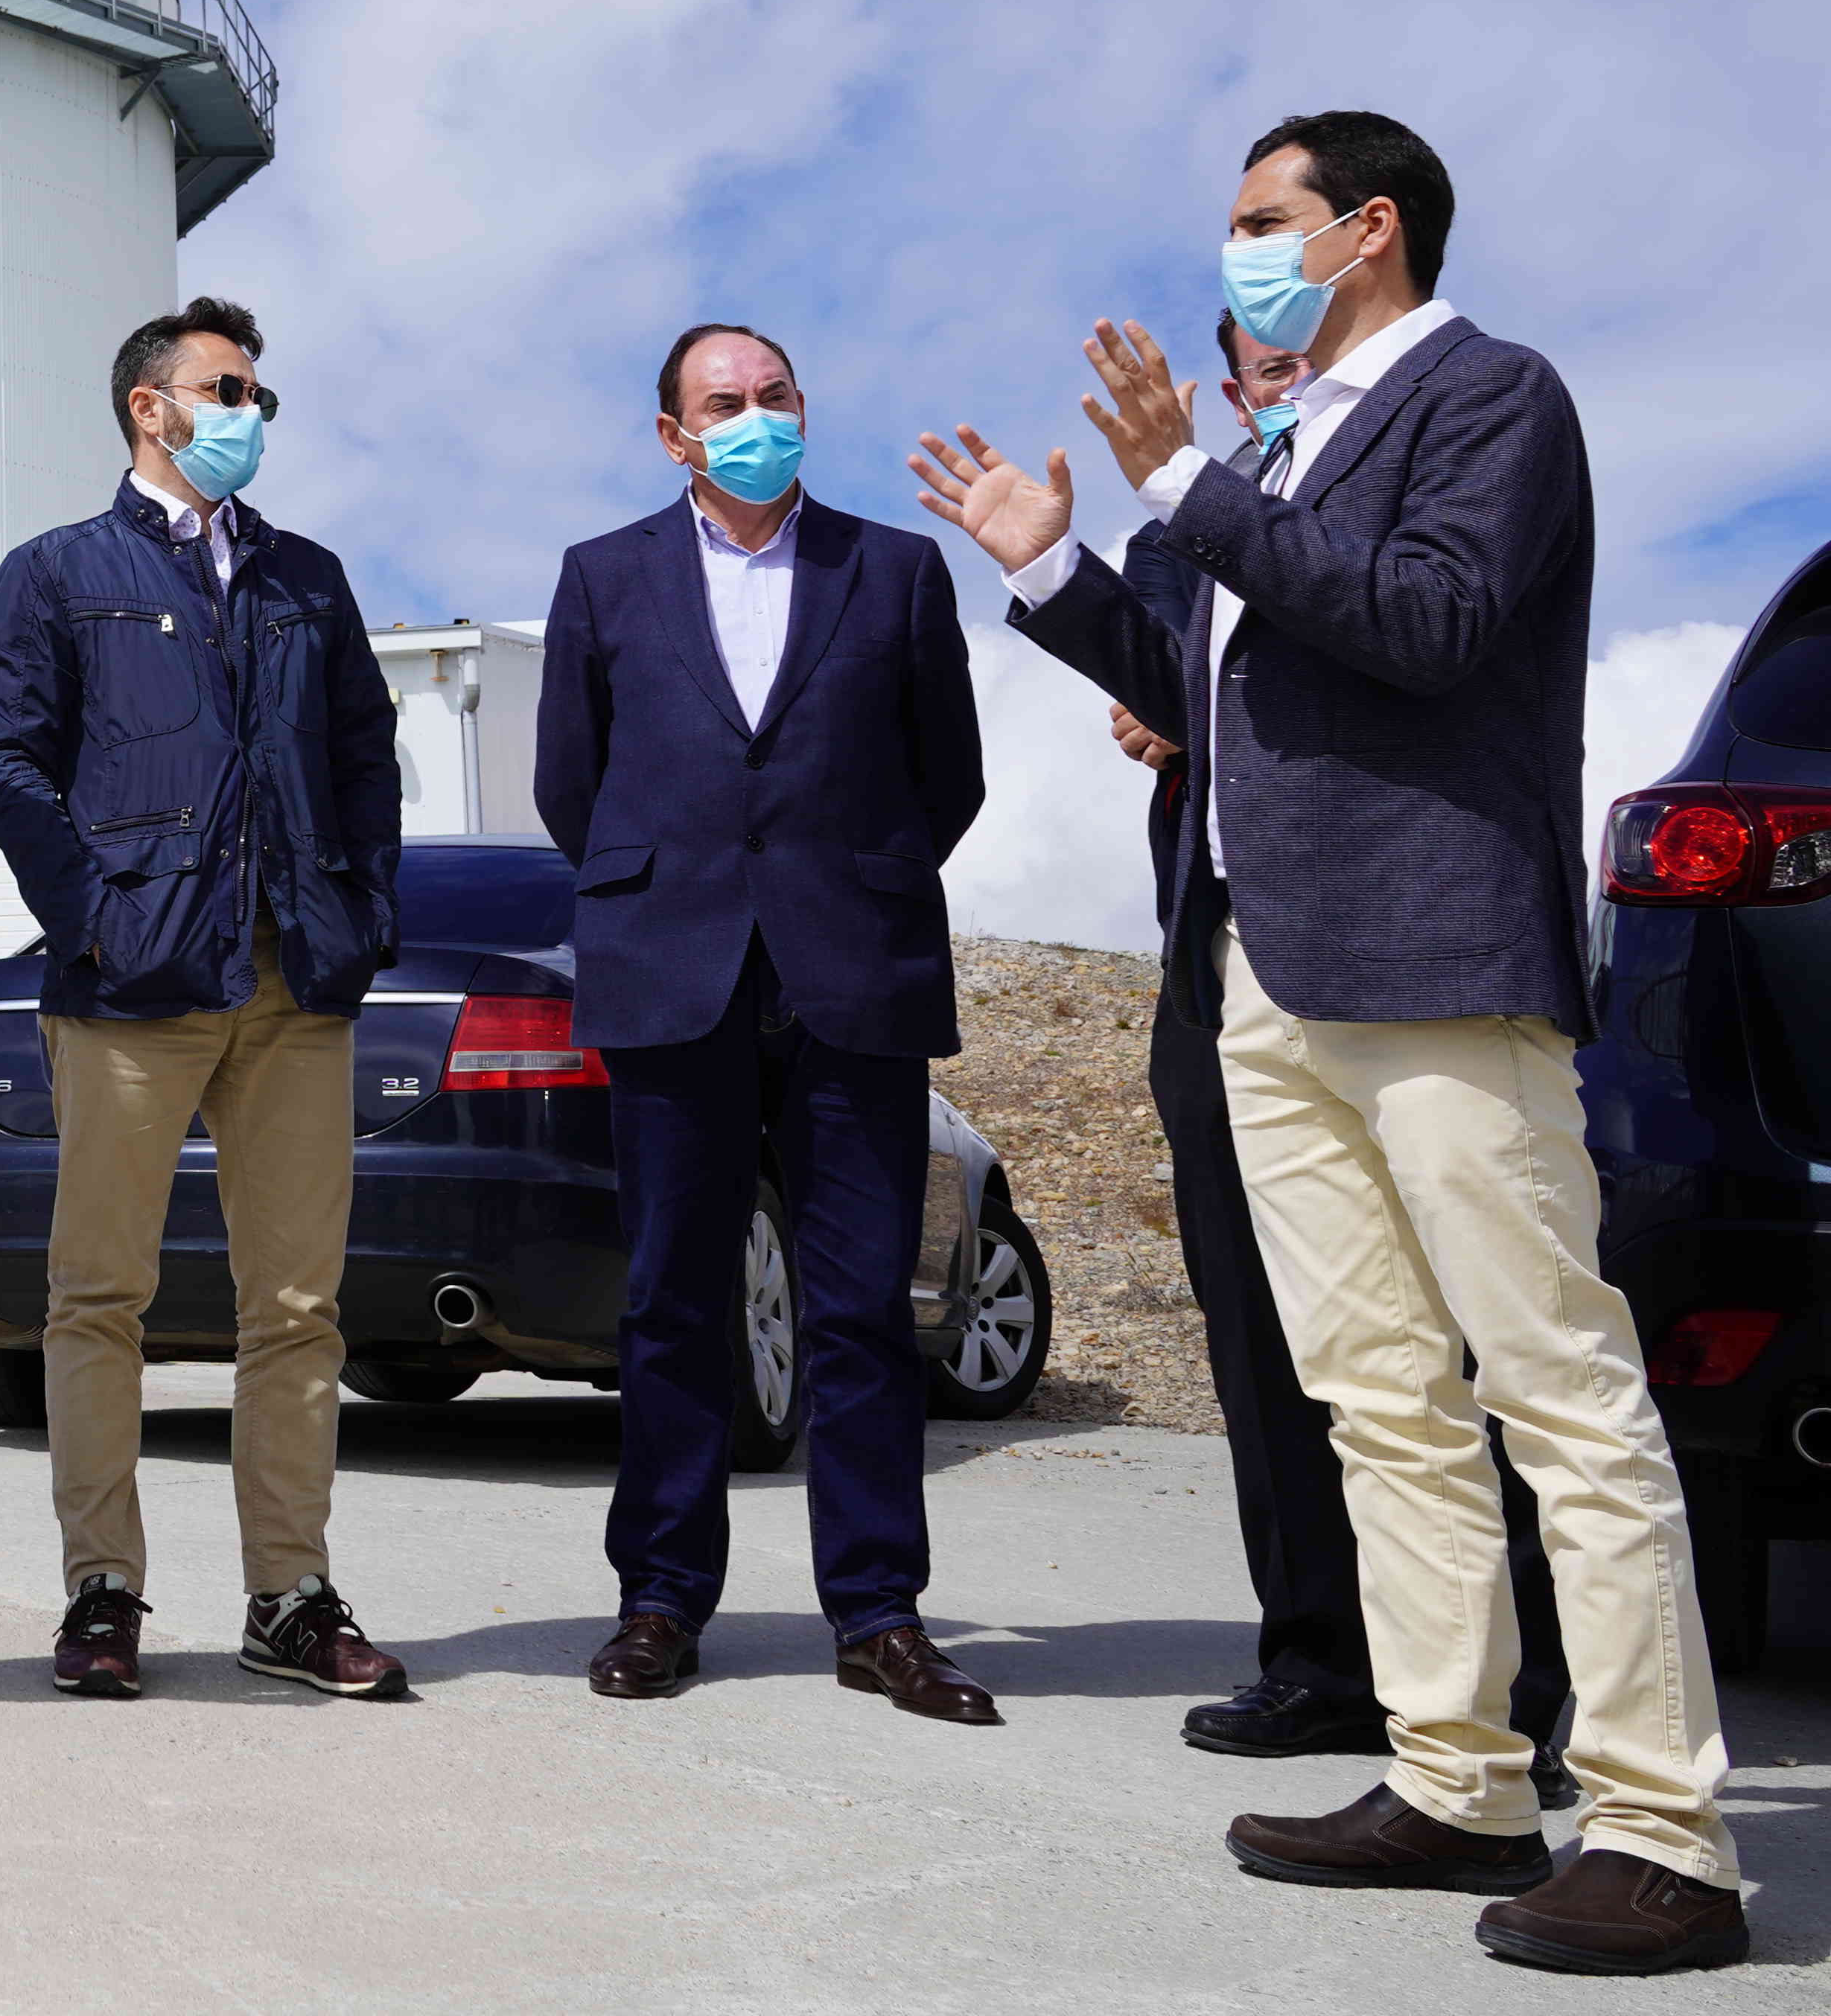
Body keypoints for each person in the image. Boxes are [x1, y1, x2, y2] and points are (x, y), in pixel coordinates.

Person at [914, 112, 1745, 1977]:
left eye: (1260, 218)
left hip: (1433, 953)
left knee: (1557, 1386)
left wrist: (1184, 480)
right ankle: (1457, 1778)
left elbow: (1431, 622)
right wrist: (1057, 572)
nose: (1235, 250)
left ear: (1368, 229)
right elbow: (1215, 695)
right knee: (1378, 1395)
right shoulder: (1280, 454)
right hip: (1266, 978)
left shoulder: (1487, 396)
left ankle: (1663, 1833)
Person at [1097, 327, 1575, 1781]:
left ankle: (1519, 1687)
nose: (1283, 382)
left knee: (1474, 1330)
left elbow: (1419, 636)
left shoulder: (1439, 457)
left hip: (1402, 939)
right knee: (1276, 1329)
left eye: (1306, 355)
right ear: (1233, 390)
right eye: (1259, 368)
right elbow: (1157, 689)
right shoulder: (1180, 523)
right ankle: (1323, 1657)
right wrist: (1072, 587)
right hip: (1224, 956)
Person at [531, 325, 996, 1723]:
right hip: (674, 972)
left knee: (862, 1307)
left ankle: (878, 1613)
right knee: (674, 1299)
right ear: (673, 434)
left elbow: (949, 776)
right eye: (724, 402)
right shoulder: (604, 576)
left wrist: (843, 883)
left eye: (776, 395)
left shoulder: (893, 568)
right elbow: (573, 786)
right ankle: (661, 1599)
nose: (754, 417)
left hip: (853, 969)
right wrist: (682, 892)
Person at [0, 295, 407, 1703]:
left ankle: (291, 1596)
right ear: (149, 408)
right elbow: (6, 768)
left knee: (298, 1305)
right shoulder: (56, 572)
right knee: (101, 1294)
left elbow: (367, 759)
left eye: (258, 396)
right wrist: (94, 920)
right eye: (227, 391)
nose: (250, 415)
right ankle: (102, 1591)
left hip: (295, 984)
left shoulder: (307, 578)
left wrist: (363, 915)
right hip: (130, 985)